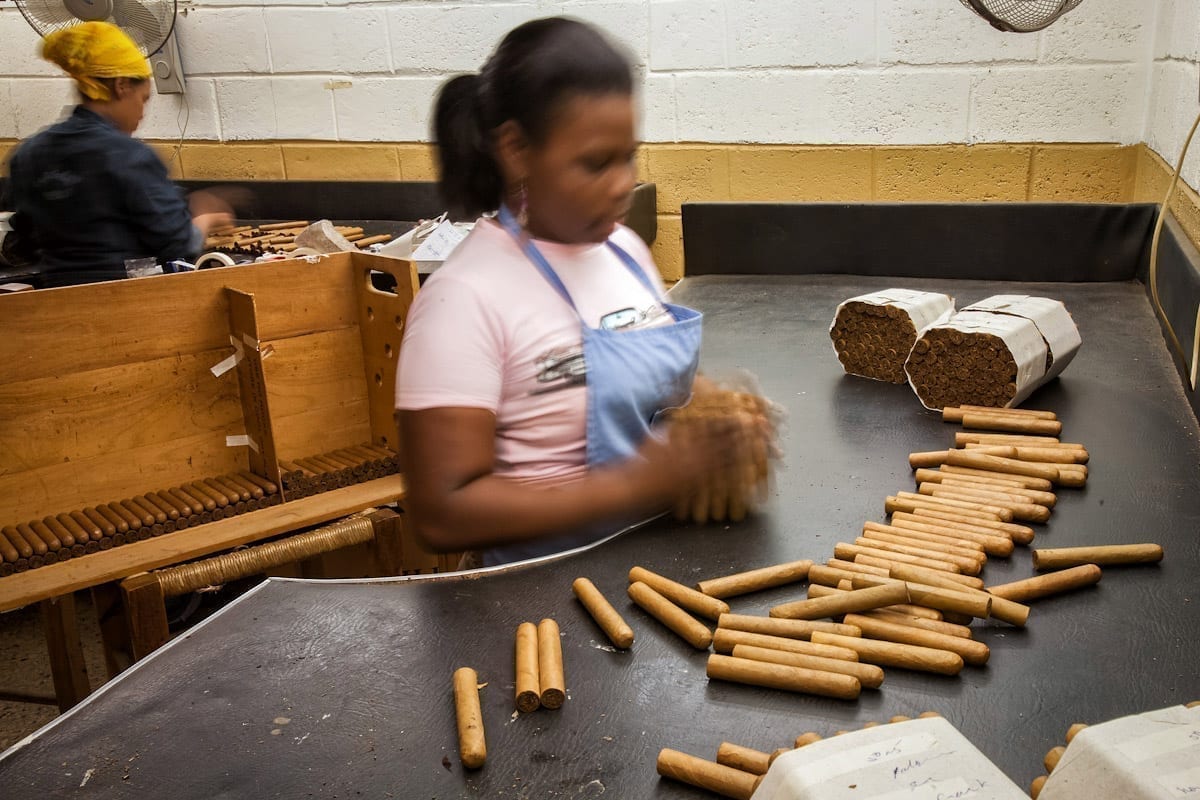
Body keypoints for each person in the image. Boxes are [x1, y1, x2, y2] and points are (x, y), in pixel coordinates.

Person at [395, 17, 747, 568]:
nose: (621, 184)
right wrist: (641, 485)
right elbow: (442, 512)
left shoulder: (625, 252)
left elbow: (645, 392)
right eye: (594, 163)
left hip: (656, 578)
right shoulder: (462, 299)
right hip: (539, 605)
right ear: (515, 149)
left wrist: (718, 421)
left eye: (628, 156)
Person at [3, 21, 232, 287]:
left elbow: (24, 241)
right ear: (122, 86)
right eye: (143, 99)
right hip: (126, 304)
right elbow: (179, 244)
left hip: (55, 304)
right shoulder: (129, 156)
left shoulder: (28, 154)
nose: (142, 113)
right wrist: (204, 216)